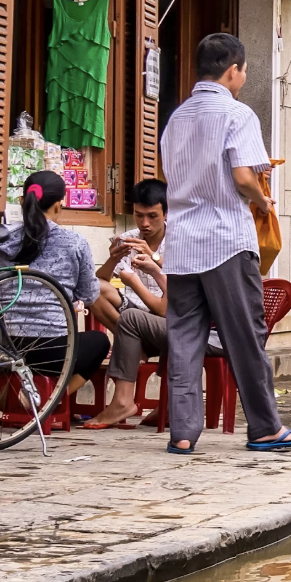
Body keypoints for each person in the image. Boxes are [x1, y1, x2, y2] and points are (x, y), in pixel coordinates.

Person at [159, 33, 291, 454]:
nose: (244, 76)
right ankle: (265, 427)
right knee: (244, 334)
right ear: (233, 70)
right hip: (225, 238)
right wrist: (263, 199)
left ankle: (183, 434)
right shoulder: (237, 114)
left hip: (182, 241)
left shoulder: (177, 117)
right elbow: (243, 177)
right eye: (244, 70)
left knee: (184, 337)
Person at [0, 170, 109, 402]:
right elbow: (89, 295)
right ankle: (50, 400)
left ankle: (9, 398)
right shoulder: (75, 242)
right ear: (59, 205)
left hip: (1, 346)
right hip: (53, 352)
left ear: (22, 201)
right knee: (100, 342)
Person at [85, 179, 169, 430]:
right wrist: (112, 261)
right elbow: (98, 282)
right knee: (94, 289)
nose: (144, 224)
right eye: (139, 215)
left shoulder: (181, 239)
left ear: (166, 213)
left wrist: (153, 260)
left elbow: (168, 305)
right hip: (136, 311)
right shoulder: (128, 238)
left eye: (152, 216)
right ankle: (135, 346)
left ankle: (132, 354)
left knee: (133, 317)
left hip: (167, 316)